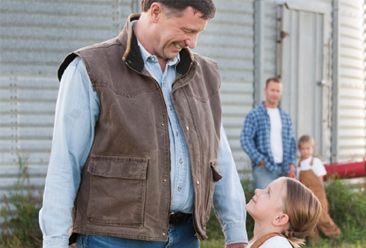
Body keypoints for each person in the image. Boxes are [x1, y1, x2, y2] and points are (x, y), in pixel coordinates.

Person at [38, 1, 248, 247]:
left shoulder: (203, 74)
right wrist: (55, 241)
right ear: (156, 12)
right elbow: (65, 163)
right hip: (112, 240)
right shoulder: (89, 68)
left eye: (198, 33)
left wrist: (236, 234)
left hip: (184, 238)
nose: (192, 43)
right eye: (187, 31)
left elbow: (219, 157)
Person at [240, 77, 297, 190]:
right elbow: (245, 139)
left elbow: (292, 142)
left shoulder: (285, 117)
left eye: (278, 91)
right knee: (265, 204)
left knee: (284, 205)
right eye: (272, 90)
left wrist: (292, 165)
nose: (275, 94)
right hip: (264, 169)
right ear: (265, 90)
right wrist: (260, 160)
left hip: (284, 168)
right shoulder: (255, 114)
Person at [245, 177, 322, 248]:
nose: (257, 190)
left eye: (268, 193)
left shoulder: (276, 245)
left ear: (280, 218)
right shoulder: (264, 243)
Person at [296, 135, 341, 242]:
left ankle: (334, 234)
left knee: (321, 215)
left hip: (318, 193)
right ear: (299, 149)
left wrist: (318, 192)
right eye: (303, 149)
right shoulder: (298, 164)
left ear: (312, 148)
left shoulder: (315, 162)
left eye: (308, 149)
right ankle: (314, 240)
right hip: (305, 195)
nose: (305, 151)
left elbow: (320, 179)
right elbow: (298, 181)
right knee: (309, 217)